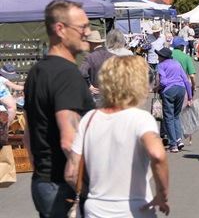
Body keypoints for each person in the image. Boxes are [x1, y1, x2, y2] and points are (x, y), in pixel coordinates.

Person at [64, 55, 170, 217]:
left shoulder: (89, 119)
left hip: (96, 210)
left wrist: (93, 195)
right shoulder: (140, 119)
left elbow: (71, 173)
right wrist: (162, 195)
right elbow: (158, 154)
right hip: (134, 209)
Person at [23, 0, 96, 217]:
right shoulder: (67, 75)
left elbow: (28, 134)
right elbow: (68, 140)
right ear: (60, 29)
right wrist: (89, 185)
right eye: (82, 27)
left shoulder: (37, 71)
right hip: (64, 185)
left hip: (44, 181)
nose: (88, 32)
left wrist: (40, 169)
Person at [155, 47, 193, 153]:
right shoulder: (176, 63)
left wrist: (156, 88)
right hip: (181, 89)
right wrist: (190, 96)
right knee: (176, 115)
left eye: (159, 56)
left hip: (168, 91)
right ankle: (178, 139)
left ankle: (173, 144)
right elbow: (186, 79)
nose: (158, 58)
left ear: (163, 57)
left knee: (169, 117)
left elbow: (163, 82)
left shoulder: (161, 66)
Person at [80, 30, 114, 106]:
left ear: (90, 43)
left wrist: (89, 86)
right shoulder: (113, 56)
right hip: (113, 96)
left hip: (97, 97)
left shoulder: (89, 57)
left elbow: (82, 73)